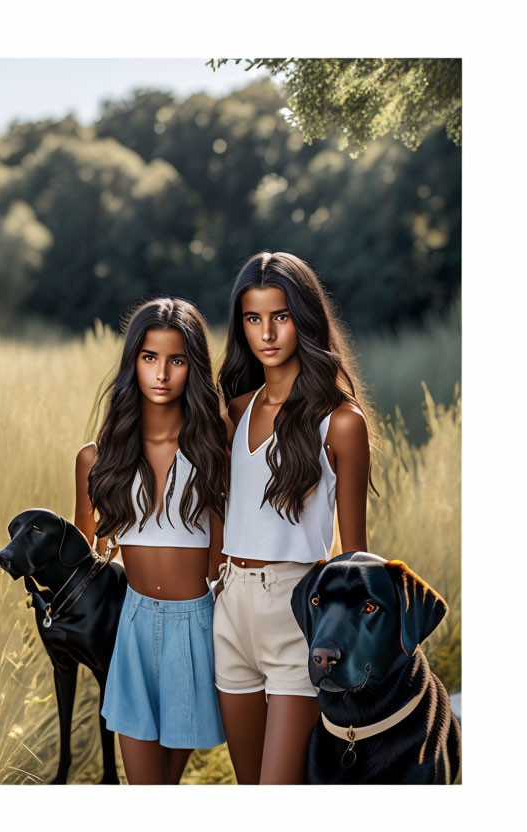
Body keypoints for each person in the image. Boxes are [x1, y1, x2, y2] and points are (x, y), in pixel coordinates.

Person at [213, 251, 379, 784]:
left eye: (280, 316)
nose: (266, 333)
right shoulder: (235, 411)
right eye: (252, 318)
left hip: (296, 610)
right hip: (229, 606)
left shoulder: (341, 422)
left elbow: (355, 555)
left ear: (303, 320)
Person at [74, 297, 227, 785]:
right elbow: (89, 561)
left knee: (166, 788)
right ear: (133, 364)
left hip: (198, 626)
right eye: (149, 358)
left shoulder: (214, 446)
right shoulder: (96, 460)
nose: (162, 373)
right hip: (133, 626)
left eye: (177, 360)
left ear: (193, 367)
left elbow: (222, 557)